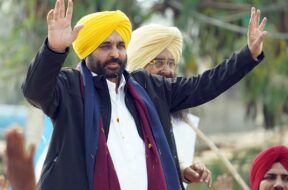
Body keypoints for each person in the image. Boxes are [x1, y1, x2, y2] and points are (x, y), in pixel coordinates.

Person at [21, 0, 267, 189]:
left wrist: (247, 55)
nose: (115, 54)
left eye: (120, 45)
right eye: (105, 46)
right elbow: (34, 90)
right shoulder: (70, 87)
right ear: (87, 51)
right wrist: (54, 50)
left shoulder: (148, 87)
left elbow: (205, 85)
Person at [127, 24, 210, 187]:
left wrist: (183, 171)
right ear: (138, 63)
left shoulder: (181, 122)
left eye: (172, 63)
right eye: (157, 62)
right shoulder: (119, 109)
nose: (168, 70)